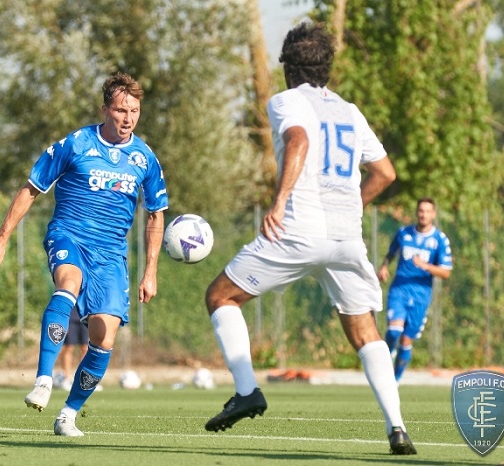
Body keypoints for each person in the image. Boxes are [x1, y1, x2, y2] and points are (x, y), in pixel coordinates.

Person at [203, 23, 417, 455]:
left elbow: (297, 138)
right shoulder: (349, 111)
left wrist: (279, 201)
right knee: (364, 330)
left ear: (288, 67)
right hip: (345, 238)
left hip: (297, 230)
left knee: (221, 297)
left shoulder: (286, 100)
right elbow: (385, 173)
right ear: (327, 68)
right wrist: (353, 203)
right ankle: (397, 428)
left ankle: (247, 391)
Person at [0, 72, 168, 437]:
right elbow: (30, 189)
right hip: (69, 234)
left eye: (134, 110)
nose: (127, 117)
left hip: (111, 255)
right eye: (120, 110)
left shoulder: (145, 159)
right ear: (105, 109)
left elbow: (156, 214)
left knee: (104, 338)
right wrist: (1, 238)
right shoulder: (76, 143)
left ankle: (68, 414)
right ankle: (43, 380)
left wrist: (151, 271)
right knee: (69, 281)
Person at [377, 197, 452, 382]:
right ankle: (388, 356)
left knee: (406, 341)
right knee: (394, 331)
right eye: (421, 211)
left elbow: (446, 272)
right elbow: (391, 253)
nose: (423, 214)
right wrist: (384, 266)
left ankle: (395, 380)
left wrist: (426, 266)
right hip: (399, 290)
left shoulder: (439, 240)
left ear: (433, 214)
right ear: (416, 212)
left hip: (421, 295)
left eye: (427, 211)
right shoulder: (403, 233)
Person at [54, 306, 89, 391]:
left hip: (86, 315)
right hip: (71, 317)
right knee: (69, 347)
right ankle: (66, 378)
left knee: (86, 348)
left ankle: (84, 380)